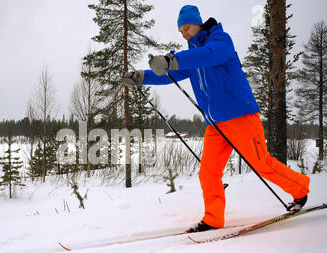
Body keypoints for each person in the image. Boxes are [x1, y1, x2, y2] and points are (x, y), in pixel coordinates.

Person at [122, 5, 310, 233]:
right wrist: (142, 76)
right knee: (208, 172)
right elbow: (171, 75)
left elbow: (210, 55)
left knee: (261, 163)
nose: (183, 33)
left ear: (198, 23)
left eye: (187, 27)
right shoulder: (191, 56)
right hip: (216, 124)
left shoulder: (220, 40)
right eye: (180, 30)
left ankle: (300, 189)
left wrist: (172, 60)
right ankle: (213, 219)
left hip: (240, 116)